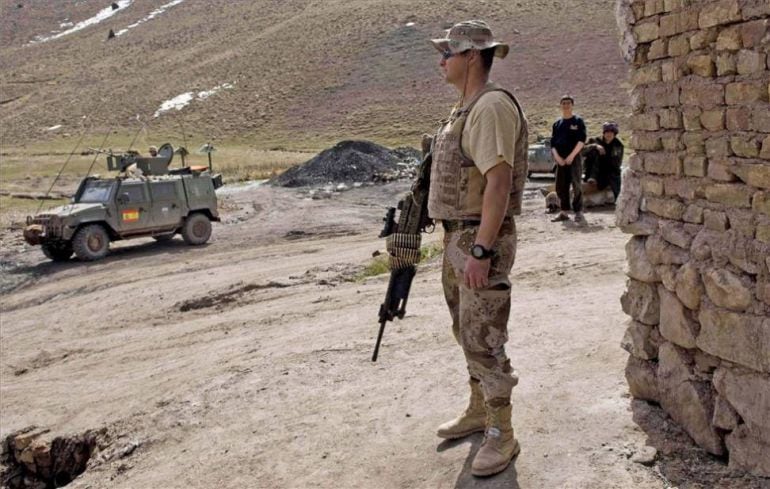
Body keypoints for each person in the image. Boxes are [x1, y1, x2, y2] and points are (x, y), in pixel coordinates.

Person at [427, 20, 528, 477]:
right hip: (459, 237)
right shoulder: (463, 109)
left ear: (471, 56)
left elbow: (499, 181)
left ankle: (501, 434)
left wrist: (483, 250)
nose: (441, 59)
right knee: (465, 331)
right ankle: (478, 410)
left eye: (448, 51)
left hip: (477, 238)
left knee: (485, 338)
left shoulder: (489, 107)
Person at [550, 95, 586, 224]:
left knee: (576, 185)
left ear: (572, 105)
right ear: (560, 105)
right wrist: (558, 158)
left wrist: (571, 156)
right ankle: (564, 211)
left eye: (568, 103)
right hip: (560, 159)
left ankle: (578, 212)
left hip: (574, 158)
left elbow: (581, 140)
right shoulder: (557, 124)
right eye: (564, 103)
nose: (566, 105)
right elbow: (552, 143)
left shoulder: (578, 121)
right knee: (561, 186)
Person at [582, 121, 624, 201]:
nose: (609, 134)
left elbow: (618, 163)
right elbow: (582, 151)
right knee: (596, 152)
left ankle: (618, 202)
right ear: (604, 133)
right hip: (592, 171)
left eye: (611, 132)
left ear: (614, 134)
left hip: (609, 171)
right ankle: (593, 177)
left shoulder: (618, 145)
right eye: (607, 132)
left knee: (616, 182)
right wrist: (595, 146)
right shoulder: (595, 140)